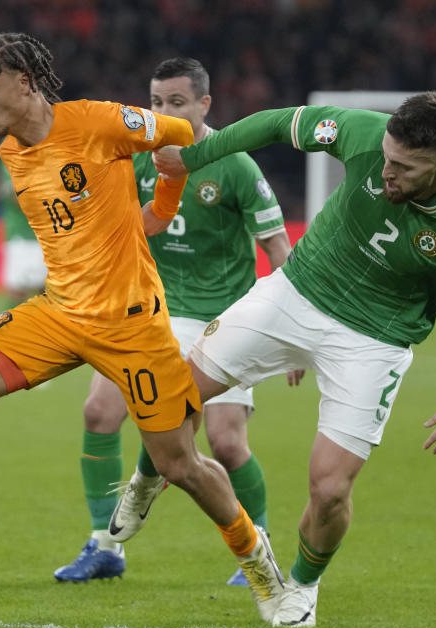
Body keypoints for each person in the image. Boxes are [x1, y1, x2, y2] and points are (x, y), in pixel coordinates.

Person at [0, 33, 286, 623]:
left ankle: (256, 559)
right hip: (58, 314)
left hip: (132, 324)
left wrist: (169, 194)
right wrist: (153, 212)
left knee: (180, 464)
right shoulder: (11, 151)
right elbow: (107, 221)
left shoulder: (100, 122)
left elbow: (181, 138)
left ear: (23, 82)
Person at [121, 92, 436, 627]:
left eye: (403, 168)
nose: (386, 171)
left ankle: (302, 587)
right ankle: (144, 481)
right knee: (173, 393)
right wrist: (196, 156)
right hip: (297, 292)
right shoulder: (362, 132)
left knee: (331, 488)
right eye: (386, 157)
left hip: (374, 339)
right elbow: (272, 122)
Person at [52, 57, 295, 586]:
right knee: (98, 412)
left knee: (227, 444)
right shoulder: (138, 156)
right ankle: (104, 545)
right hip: (150, 311)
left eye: (177, 103)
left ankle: (260, 544)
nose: (164, 112)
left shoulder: (234, 164)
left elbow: (278, 247)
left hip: (223, 320)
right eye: (157, 103)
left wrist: (294, 333)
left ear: (205, 105)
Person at [0, 161, 46, 300]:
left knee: (44, 289)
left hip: (41, 233)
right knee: (18, 288)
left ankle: (44, 321)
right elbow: (15, 195)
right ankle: (14, 321)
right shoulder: (10, 147)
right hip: (23, 234)